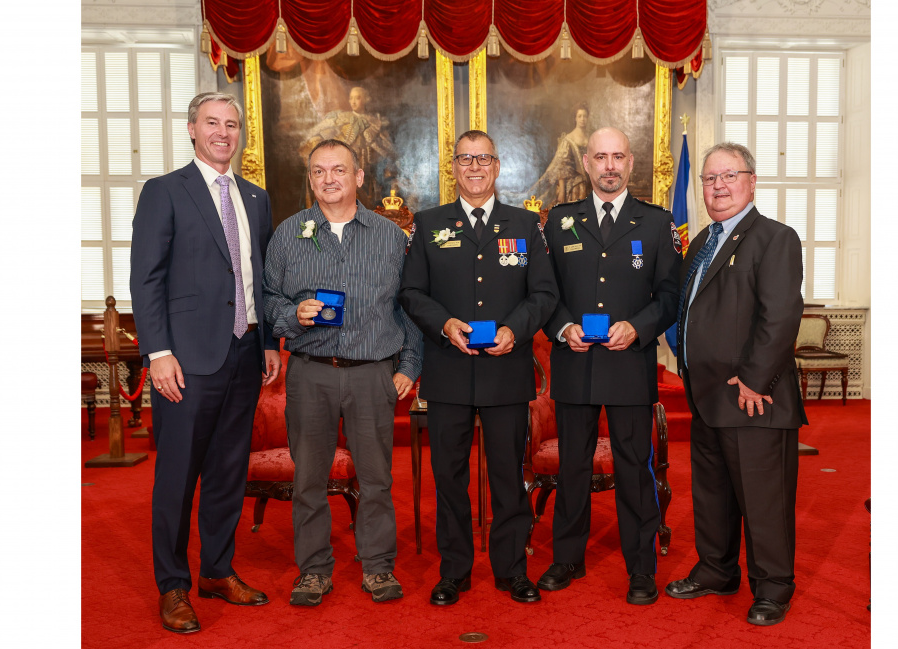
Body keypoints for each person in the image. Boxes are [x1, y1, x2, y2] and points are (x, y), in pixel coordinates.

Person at [131, 92, 282, 634]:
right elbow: (145, 279)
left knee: (226, 472)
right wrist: (159, 352)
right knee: (177, 476)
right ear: (192, 129)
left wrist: (266, 342)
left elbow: (258, 278)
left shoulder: (256, 198)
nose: (224, 132)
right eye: (212, 123)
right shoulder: (164, 192)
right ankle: (173, 585)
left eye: (232, 124)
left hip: (243, 354)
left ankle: (217, 570)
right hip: (185, 361)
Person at [398, 130, 559, 605]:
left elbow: (545, 294)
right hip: (448, 371)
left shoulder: (526, 226)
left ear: (497, 165)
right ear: (453, 166)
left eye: (483, 158)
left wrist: (515, 328)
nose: (474, 167)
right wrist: (444, 323)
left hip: (506, 372)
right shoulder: (427, 224)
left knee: (509, 474)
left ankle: (512, 569)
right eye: (465, 159)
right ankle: (454, 571)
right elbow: (411, 293)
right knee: (449, 478)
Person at [262, 138, 423, 606]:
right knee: (308, 479)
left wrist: (409, 365)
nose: (328, 179)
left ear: (358, 177)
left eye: (338, 170)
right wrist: (294, 315)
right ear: (309, 179)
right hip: (310, 372)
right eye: (318, 171)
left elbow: (408, 307)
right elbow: (269, 298)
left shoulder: (390, 237)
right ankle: (313, 570)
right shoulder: (289, 234)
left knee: (376, 480)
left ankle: (377, 567)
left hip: (372, 373)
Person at [537, 127, 683, 605]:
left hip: (630, 365)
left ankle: (641, 568)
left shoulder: (656, 223)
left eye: (617, 156)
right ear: (586, 164)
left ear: (631, 162)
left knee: (634, 470)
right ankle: (567, 558)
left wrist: (637, 327)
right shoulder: (559, 222)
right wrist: (562, 328)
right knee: (572, 468)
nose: (609, 165)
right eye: (600, 157)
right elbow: (545, 294)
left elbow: (668, 297)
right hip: (574, 364)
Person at [665, 141, 807, 626]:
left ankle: (773, 587)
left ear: (751, 181)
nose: (718, 186)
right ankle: (717, 570)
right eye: (710, 179)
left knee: (764, 500)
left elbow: (781, 317)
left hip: (754, 398)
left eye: (729, 176)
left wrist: (752, 379)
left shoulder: (774, 238)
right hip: (706, 395)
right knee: (713, 494)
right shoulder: (705, 240)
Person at [300, 86, 396, 210]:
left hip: (367, 172)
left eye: (358, 97)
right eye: (351, 98)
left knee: (366, 205)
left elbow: (386, 149)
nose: (354, 101)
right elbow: (321, 133)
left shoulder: (374, 121)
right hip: (344, 171)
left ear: (366, 99)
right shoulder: (342, 118)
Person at [526, 102, 591, 207]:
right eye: (579, 116)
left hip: (589, 184)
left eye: (584, 116)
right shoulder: (569, 139)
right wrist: (562, 190)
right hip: (574, 186)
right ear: (575, 118)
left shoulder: (590, 138)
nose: (582, 119)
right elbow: (562, 166)